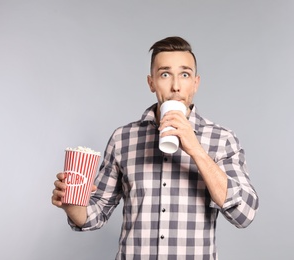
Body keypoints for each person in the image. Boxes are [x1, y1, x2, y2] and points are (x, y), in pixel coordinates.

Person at [52, 36, 259, 259]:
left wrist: (196, 149)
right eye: (165, 74)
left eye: (185, 74)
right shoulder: (123, 138)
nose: (176, 86)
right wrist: (72, 204)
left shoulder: (222, 140)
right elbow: (97, 212)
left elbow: (243, 214)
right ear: (151, 83)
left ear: (196, 83)